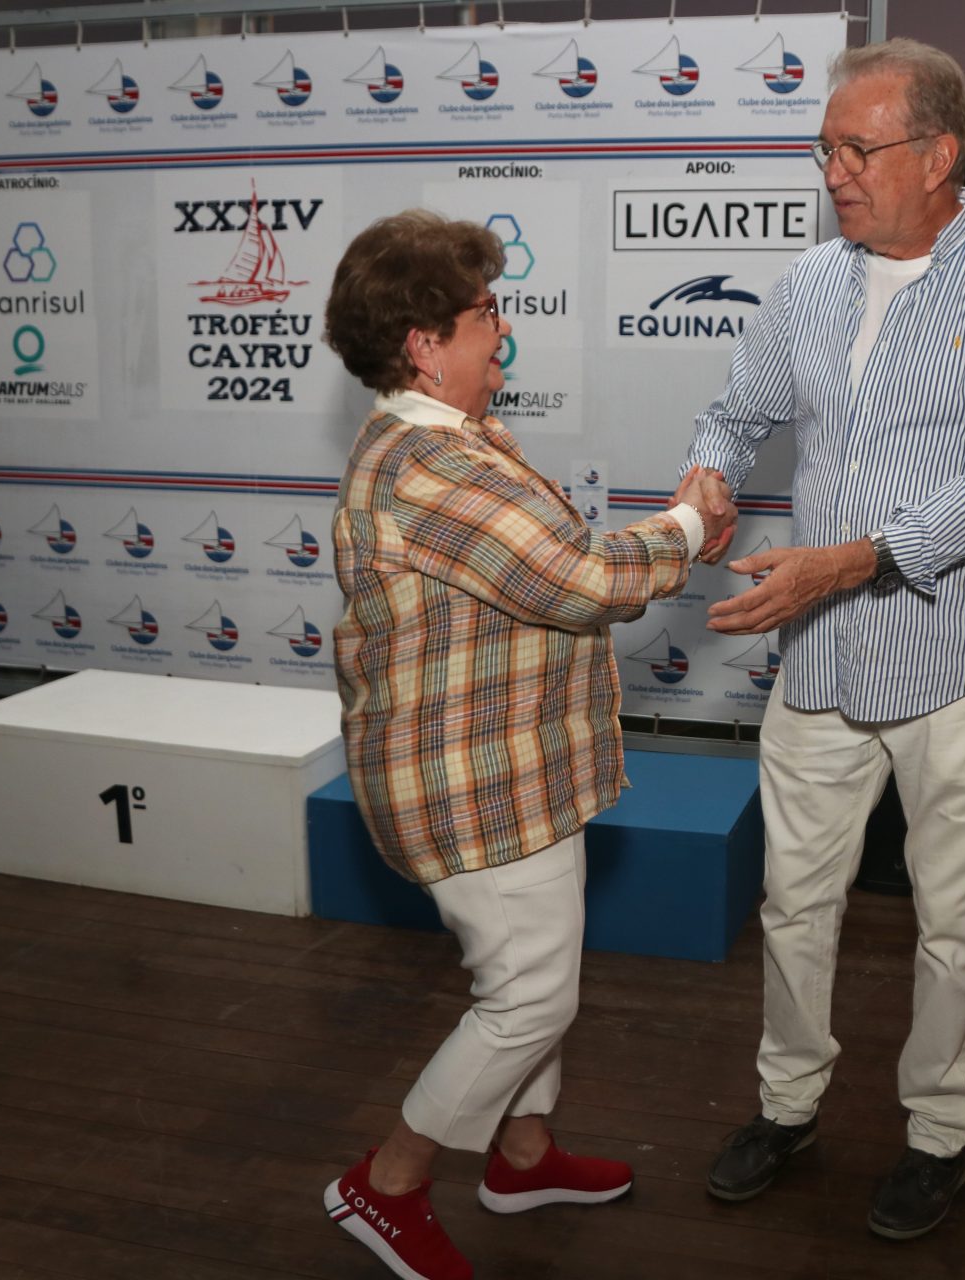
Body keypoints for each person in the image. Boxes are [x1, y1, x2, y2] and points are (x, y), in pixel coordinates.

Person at [683, 39, 965, 1240]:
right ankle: (787, 1106)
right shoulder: (806, 284)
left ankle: (939, 1130)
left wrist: (842, 562)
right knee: (794, 904)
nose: (834, 172)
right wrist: (708, 477)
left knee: (955, 924)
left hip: (959, 664)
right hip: (822, 661)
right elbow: (734, 412)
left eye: (858, 149)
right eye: (826, 150)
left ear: (939, 155)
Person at [318, 210, 735, 1280]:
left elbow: (546, 568)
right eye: (485, 312)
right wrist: (689, 525)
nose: (503, 328)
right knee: (530, 997)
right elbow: (579, 579)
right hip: (472, 785)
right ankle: (390, 1181)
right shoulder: (428, 465)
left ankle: (523, 1155)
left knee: (536, 970)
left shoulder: (449, 439)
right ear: (425, 344)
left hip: (513, 767)